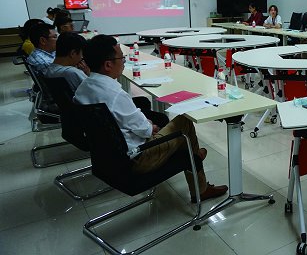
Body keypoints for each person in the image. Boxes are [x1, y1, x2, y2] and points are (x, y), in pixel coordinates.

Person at [74, 35, 228, 202]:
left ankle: (195, 158)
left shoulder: (82, 89)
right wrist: (150, 125)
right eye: (121, 58)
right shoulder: (115, 94)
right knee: (184, 121)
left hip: (107, 158)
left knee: (171, 129)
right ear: (108, 65)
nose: (124, 62)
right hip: (138, 158)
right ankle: (198, 172)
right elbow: (146, 130)